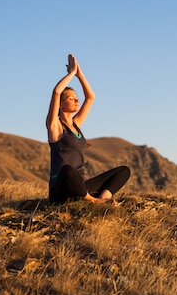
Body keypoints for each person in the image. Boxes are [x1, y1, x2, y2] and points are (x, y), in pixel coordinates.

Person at [46, 53, 130, 205]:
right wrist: (70, 74)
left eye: (76, 97)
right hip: (60, 191)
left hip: (79, 187)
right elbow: (56, 92)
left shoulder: (76, 124)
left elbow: (90, 97)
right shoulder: (55, 127)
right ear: (60, 104)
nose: (76, 100)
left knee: (123, 171)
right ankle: (93, 201)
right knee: (67, 170)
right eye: (71, 98)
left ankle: (104, 198)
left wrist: (80, 74)